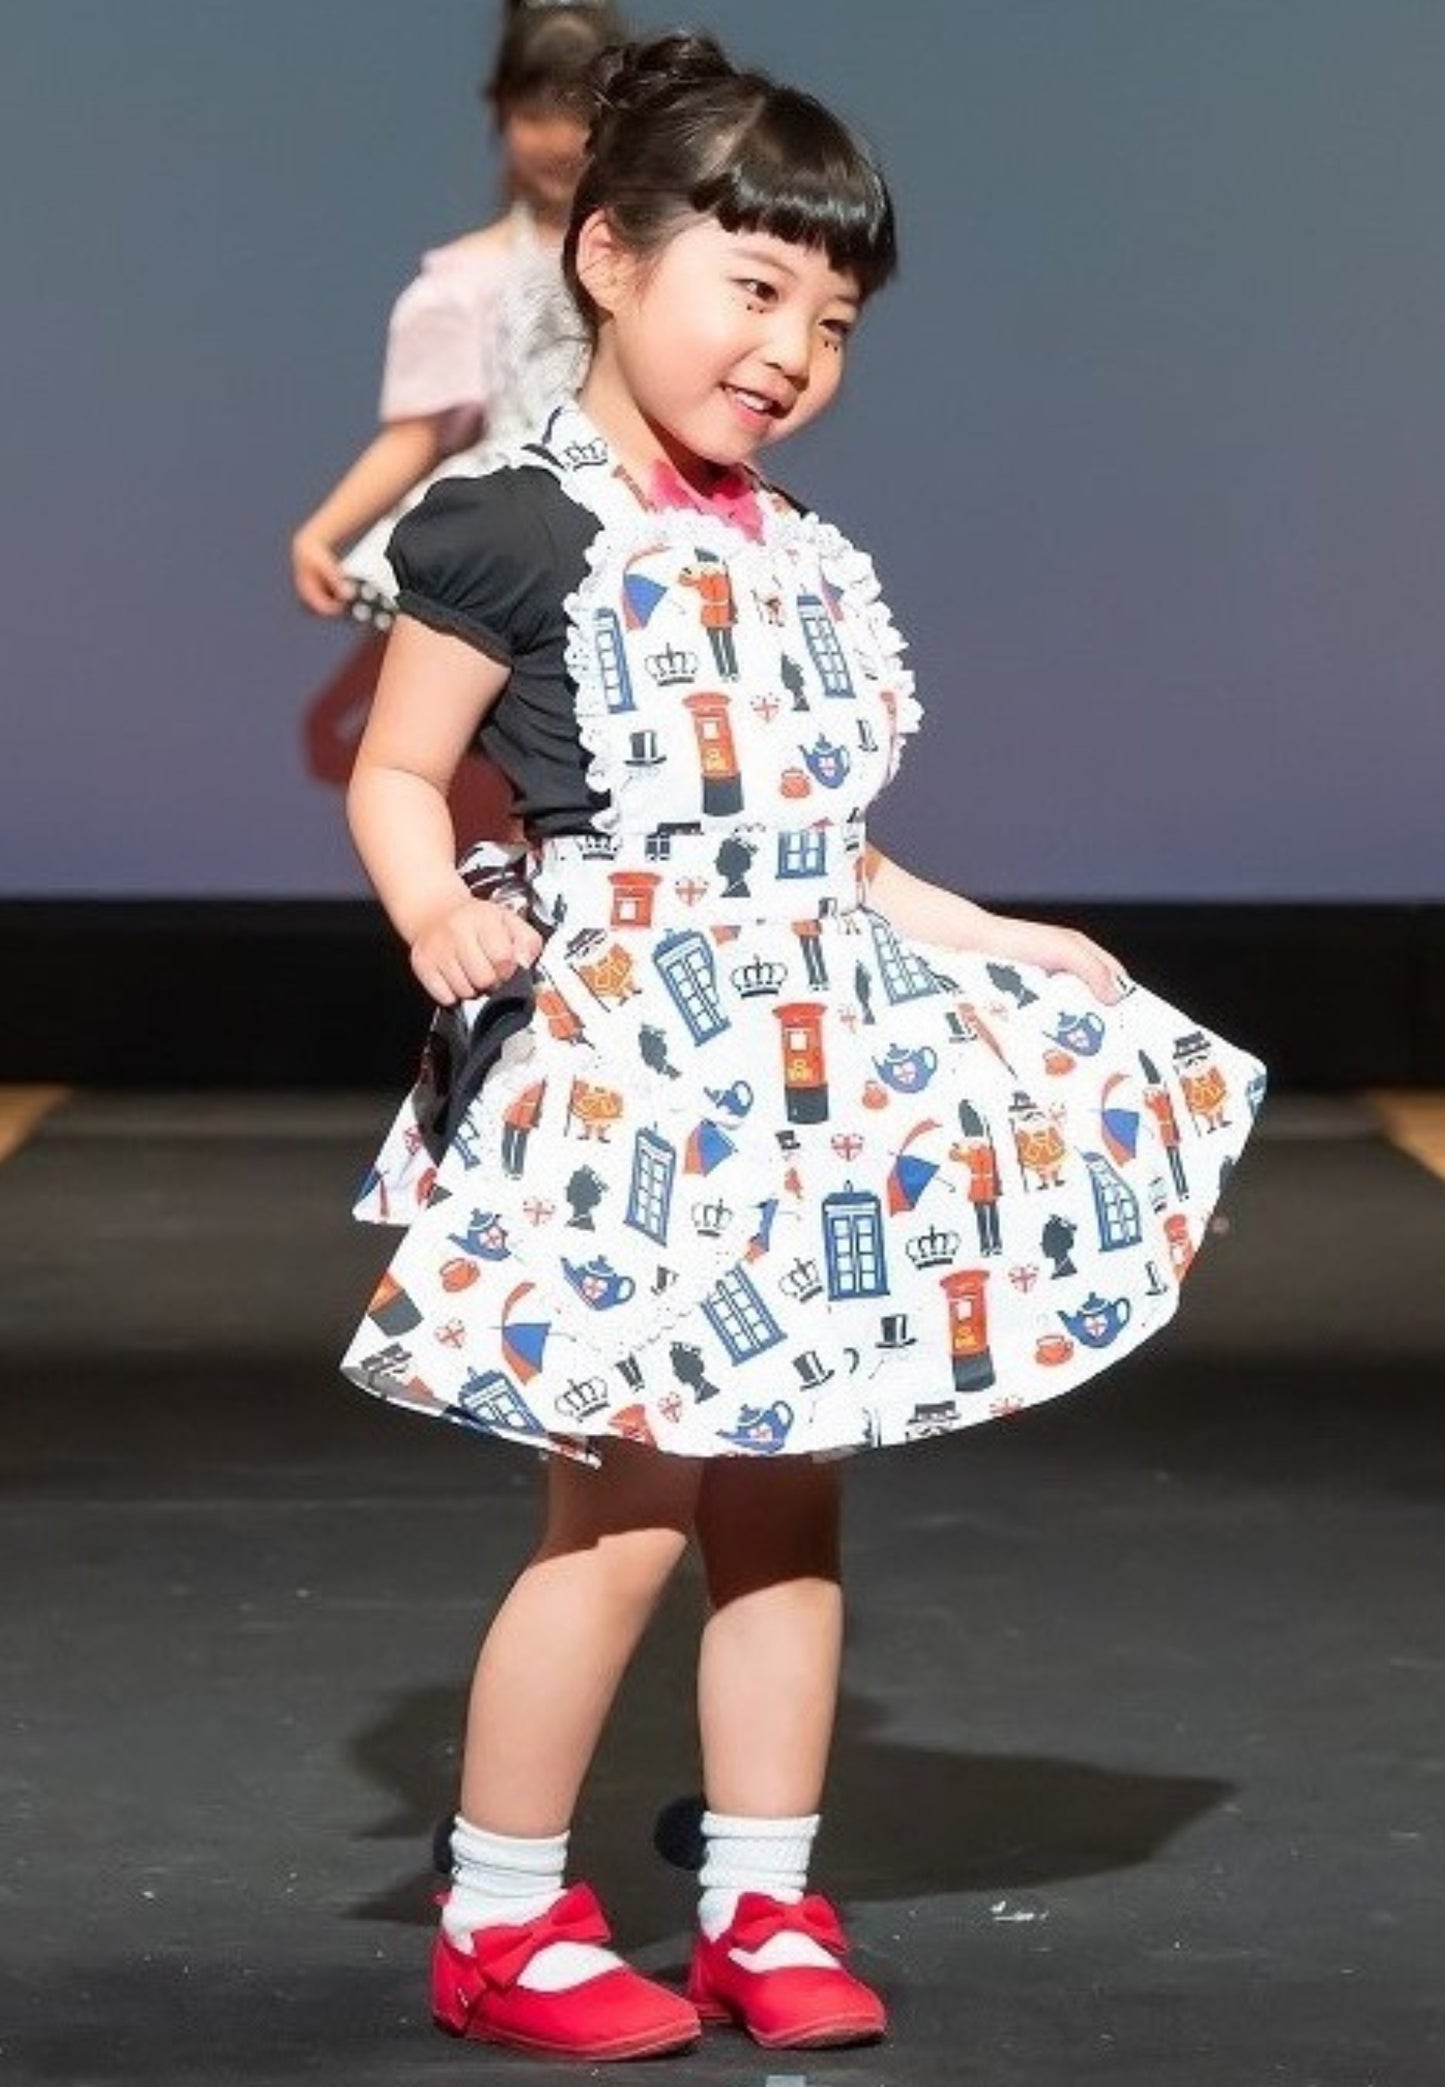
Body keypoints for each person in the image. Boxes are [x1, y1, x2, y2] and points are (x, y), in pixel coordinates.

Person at [339, 32, 1266, 2063]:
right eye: (748, 287)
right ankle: (500, 1908)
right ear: (607, 257)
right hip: (621, 1076)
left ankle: (760, 1889)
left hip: (798, 1076)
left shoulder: (799, 554)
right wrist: (434, 902)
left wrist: (1001, 934)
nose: (786, 348)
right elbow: (404, 767)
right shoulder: (510, 521)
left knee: (785, 1496)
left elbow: (824, 855)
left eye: (826, 318)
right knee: (624, 1508)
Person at [292, 2, 625, 844]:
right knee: (542, 758)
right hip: (519, 535)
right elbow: (418, 432)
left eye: (582, 116)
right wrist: (324, 532)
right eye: (534, 113)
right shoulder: (463, 282)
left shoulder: (658, 267)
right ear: (500, 115)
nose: (559, 140)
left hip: (625, 525)